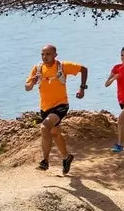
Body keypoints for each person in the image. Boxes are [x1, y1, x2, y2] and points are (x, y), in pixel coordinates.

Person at [25, 44, 87, 174]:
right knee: (54, 133)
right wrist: (32, 82)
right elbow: (27, 87)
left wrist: (82, 88)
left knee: (44, 127)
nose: (44, 57)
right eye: (42, 54)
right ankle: (66, 157)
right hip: (45, 108)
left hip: (61, 105)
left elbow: (83, 69)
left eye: (48, 54)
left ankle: (45, 161)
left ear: (55, 55)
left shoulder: (63, 66)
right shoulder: (37, 69)